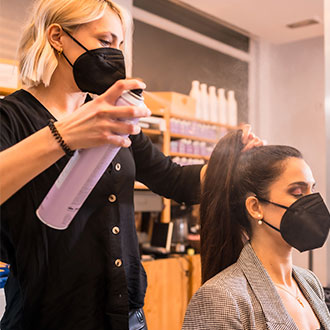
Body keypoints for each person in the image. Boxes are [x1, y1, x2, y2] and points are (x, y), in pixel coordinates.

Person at [0, 1, 261, 329]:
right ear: (57, 36)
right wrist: (62, 135)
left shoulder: (112, 117)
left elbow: (174, 180)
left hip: (127, 317)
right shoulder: (9, 118)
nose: (115, 54)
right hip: (48, 319)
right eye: (105, 41)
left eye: (120, 45)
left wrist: (231, 163)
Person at [182, 129, 330, 330]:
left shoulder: (308, 282)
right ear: (255, 207)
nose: (312, 202)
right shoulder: (221, 298)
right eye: (297, 192)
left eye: (311, 190)